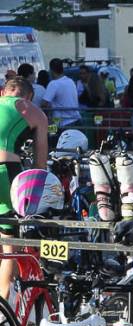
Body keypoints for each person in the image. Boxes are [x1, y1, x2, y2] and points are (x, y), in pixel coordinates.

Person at [0, 76, 48, 301]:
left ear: (4, 92)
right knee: (11, 244)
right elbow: (40, 165)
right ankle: (4, 311)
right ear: (28, 97)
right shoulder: (33, 110)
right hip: (4, 171)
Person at [41, 58, 81, 129]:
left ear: (51, 70)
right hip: (77, 120)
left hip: (62, 123)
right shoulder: (70, 81)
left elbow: (43, 104)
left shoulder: (53, 84)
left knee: (54, 139)